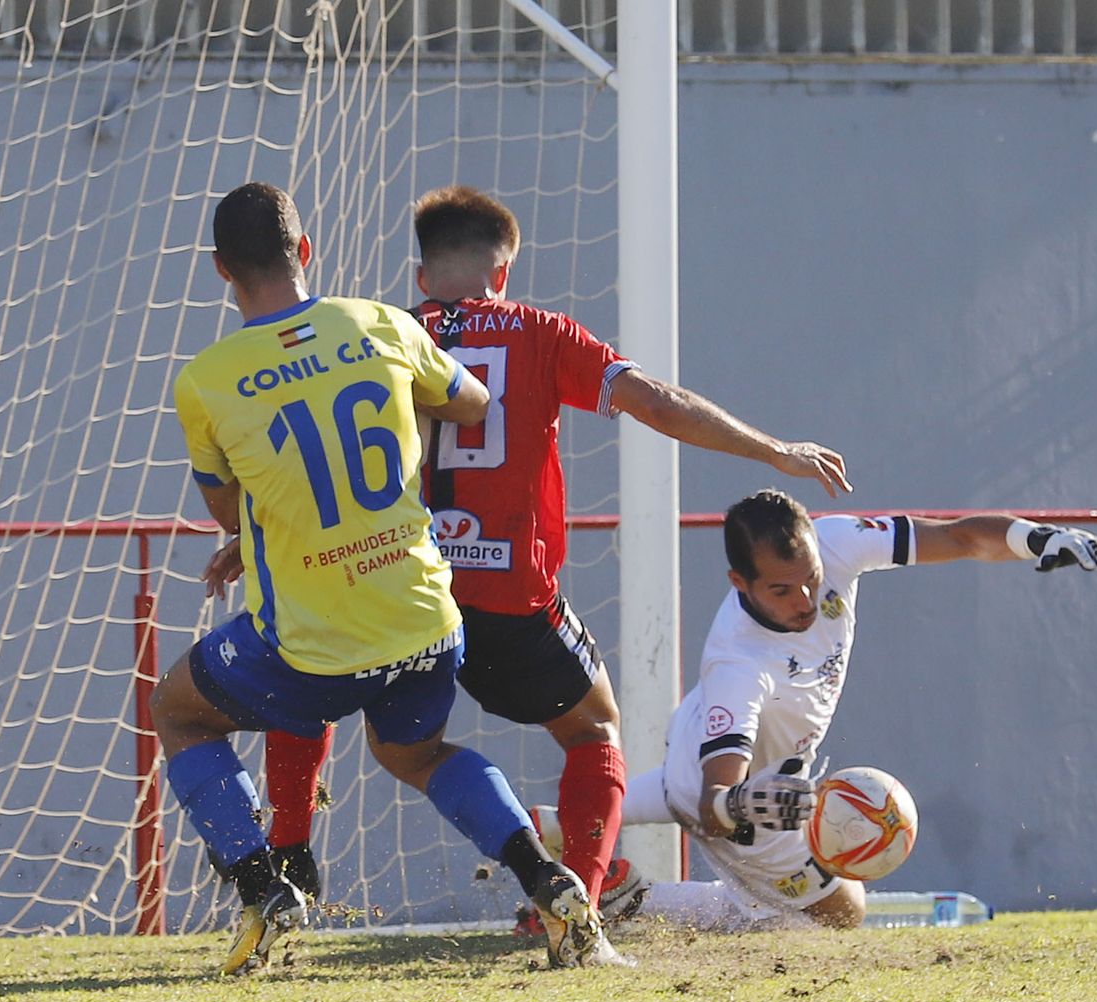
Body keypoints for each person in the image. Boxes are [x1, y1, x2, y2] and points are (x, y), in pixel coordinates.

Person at [257, 185, 853, 923]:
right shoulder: (540, 332)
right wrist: (774, 451)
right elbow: (658, 402)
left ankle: (282, 861)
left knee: (307, 682)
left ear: (420, 278)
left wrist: (244, 538)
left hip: (401, 586)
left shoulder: (378, 334)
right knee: (593, 732)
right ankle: (570, 905)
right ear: (502, 272)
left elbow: (319, 455)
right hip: (510, 596)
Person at [161, 181, 621, 974]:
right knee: (417, 755)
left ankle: (261, 880)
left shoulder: (206, 380)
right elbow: (473, 404)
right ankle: (547, 880)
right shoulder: (378, 322)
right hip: (426, 620)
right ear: (306, 252)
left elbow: (229, 514)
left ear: (219, 270)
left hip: (316, 642)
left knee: (178, 712)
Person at [618, 489, 1097, 930]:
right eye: (780, 590)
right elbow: (713, 804)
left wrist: (1036, 538)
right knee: (841, 914)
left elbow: (959, 537)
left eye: (811, 579)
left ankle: (567, 852)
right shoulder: (738, 664)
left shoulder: (839, 540)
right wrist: (740, 804)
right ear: (739, 582)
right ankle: (635, 902)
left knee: (598, 819)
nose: (805, 601)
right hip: (741, 797)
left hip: (702, 744)